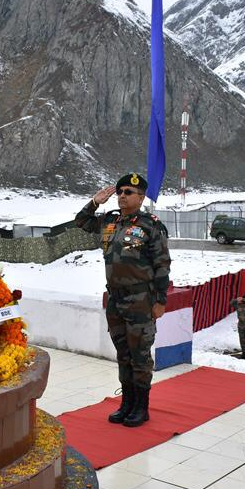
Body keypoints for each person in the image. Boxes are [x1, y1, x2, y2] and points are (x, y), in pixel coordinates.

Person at [75, 173, 170, 428]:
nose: (122, 196)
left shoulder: (151, 225)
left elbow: (162, 264)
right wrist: (95, 202)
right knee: (123, 354)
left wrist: (160, 301)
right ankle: (126, 403)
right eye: (120, 192)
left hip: (141, 300)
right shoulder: (110, 221)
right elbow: (81, 222)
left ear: (140, 197)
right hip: (115, 299)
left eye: (128, 192)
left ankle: (141, 407)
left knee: (140, 356)